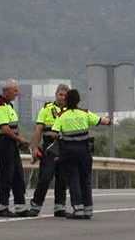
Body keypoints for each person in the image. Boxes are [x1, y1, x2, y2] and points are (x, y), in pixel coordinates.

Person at [51, 88, 111, 219]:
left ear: (66, 101)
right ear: (78, 100)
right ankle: (88, 209)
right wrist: (109, 120)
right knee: (85, 179)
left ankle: (78, 209)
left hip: (69, 152)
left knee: (73, 179)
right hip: (84, 151)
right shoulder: (85, 113)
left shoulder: (62, 116)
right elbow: (103, 121)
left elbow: (54, 133)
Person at [0, 80, 29, 216]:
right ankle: (2, 207)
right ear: (6, 91)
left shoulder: (9, 106)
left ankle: (20, 207)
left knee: (18, 174)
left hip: (12, 144)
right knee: (6, 175)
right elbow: (5, 129)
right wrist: (19, 139)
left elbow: (14, 128)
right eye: (15, 91)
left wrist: (20, 139)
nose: (17, 94)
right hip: (4, 143)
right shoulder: (0, 106)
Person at [28, 87, 68, 216]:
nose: (62, 97)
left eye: (65, 95)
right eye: (60, 94)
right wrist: (35, 148)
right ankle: (36, 205)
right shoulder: (46, 109)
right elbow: (39, 129)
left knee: (62, 178)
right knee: (45, 177)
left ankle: (59, 206)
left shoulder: (71, 110)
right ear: (56, 95)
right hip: (49, 148)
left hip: (65, 148)